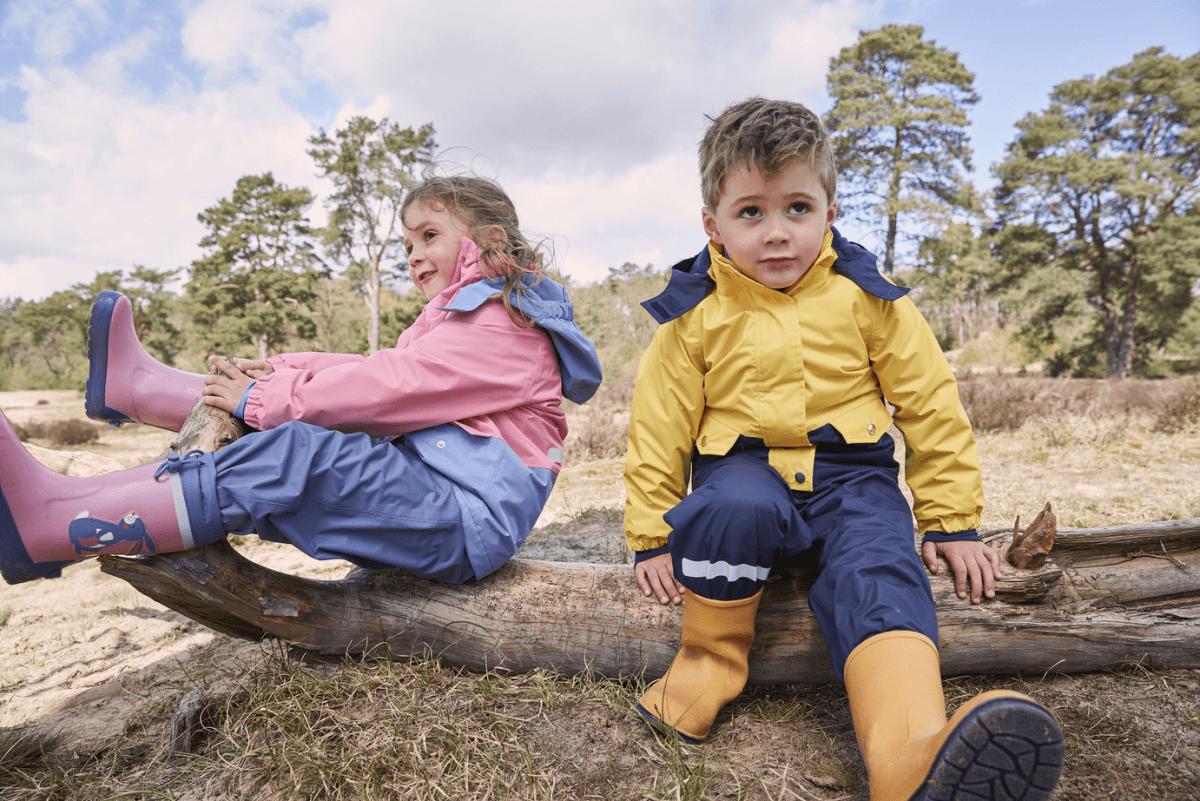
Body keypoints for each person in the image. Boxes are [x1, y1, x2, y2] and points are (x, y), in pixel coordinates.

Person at [624, 98, 1063, 801]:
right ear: (712, 223)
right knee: (728, 505)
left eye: (797, 207)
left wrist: (951, 521)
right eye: (751, 213)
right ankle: (706, 664)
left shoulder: (869, 298)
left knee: (879, 566)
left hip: (851, 480)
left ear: (830, 209)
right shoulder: (693, 314)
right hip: (741, 471)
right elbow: (658, 427)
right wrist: (650, 536)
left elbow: (929, 403)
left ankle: (908, 758)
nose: (777, 233)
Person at [0, 175, 602, 589]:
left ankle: (61, 525)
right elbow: (373, 371)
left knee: (295, 456)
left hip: (463, 520)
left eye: (429, 237)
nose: (414, 255)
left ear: (488, 242)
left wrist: (265, 398)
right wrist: (282, 370)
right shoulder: (466, 313)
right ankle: (131, 405)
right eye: (408, 242)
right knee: (288, 435)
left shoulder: (504, 324)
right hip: (437, 494)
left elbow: (393, 387)